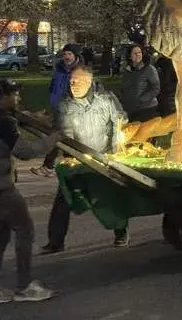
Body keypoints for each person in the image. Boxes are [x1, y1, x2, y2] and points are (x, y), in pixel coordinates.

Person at [0, 79, 61, 306]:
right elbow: (24, 152)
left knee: (0, 235)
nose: (18, 99)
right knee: (24, 229)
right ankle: (24, 287)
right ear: (3, 97)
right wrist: (51, 140)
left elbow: (15, 117)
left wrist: (33, 117)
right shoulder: (2, 122)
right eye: (15, 95)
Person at [41, 65, 130, 253]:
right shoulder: (65, 105)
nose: (74, 85)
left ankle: (120, 232)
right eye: (72, 81)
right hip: (77, 160)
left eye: (78, 81)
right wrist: (71, 154)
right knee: (63, 199)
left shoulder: (105, 100)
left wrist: (115, 149)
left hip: (104, 159)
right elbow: (64, 132)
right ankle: (55, 242)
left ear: (89, 81)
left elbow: (120, 120)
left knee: (111, 198)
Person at [30, 45, 81, 178]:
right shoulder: (59, 70)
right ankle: (66, 165)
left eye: (70, 54)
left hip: (71, 111)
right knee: (61, 139)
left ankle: (50, 166)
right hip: (57, 108)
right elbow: (54, 88)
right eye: (65, 54)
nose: (67, 57)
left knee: (58, 137)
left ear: (75, 56)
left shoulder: (80, 71)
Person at [118, 44, 160, 122]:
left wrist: (142, 99)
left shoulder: (149, 69)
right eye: (135, 53)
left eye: (139, 52)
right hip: (130, 109)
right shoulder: (126, 71)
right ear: (130, 56)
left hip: (146, 109)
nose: (138, 55)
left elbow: (156, 88)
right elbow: (123, 88)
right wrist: (122, 100)